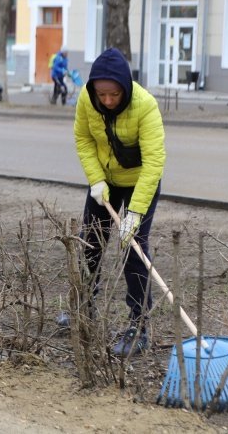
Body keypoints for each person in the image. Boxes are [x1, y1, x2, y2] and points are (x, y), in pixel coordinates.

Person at [73, 47, 166, 357]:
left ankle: (138, 326)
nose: (108, 101)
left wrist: (136, 212)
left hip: (141, 181)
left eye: (114, 94)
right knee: (90, 243)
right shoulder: (88, 99)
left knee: (133, 249)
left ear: (125, 88)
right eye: (103, 95)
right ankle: (83, 308)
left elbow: (154, 161)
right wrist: (96, 180)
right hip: (105, 181)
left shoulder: (145, 106)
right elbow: (84, 139)